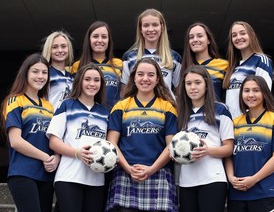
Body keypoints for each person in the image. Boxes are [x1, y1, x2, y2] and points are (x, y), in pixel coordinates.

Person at [106, 58, 179, 212]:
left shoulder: (168, 107)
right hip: (126, 173)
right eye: (140, 74)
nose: (145, 79)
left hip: (159, 172)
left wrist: (151, 169)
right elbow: (111, 143)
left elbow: (171, 146)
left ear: (158, 79)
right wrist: (128, 168)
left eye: (151, 75)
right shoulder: (121, 106)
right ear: (134, 78)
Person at [0, 53, 59, 212]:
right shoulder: (14, 101)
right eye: (35, 71)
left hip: (46, 175)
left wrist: (57, 158)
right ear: (25, 73)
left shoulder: (49, 107)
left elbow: (55, 141)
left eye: (44, 72)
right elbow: (15, 141)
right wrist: (46, 157)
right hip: (23, 173)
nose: (40, 76)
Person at [46, 63, 109, 212]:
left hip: (96, 180)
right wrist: (77, 153)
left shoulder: (105, 113)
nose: (92, 84)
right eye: (87, 79)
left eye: (96, 80)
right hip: (68, 177)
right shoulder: (67, 105)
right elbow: (53, 141)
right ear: (79, 81)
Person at [225, 75, 274, 212]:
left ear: (264, 93)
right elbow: (228, 155)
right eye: (246, 91)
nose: (251, 95)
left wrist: (253, 179)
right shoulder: (235, 123)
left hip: (265, 191)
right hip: (237, 194)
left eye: (256, 90)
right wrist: (230, 178)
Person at [177, 65, 234, 212]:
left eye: (197, 82)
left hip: (213, 179)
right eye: (188, 84)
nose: (193, 87)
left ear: (207, 84)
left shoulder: (220, 109)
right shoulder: (181, 113)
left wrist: (208, 151)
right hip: (187, 181)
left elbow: (229, 148)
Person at [121, 8, 182, 99]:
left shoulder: (174, 57)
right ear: (140, 29)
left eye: (155, 25)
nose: (150, 29)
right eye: (146, 25)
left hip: (166, 110)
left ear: (162, 27)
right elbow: (124, 91)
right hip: (136, 110)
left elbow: (179, 91)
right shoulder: (129, 57)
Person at [223, 21, 274, 119]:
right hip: (231, 123)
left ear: (252, 35)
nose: (238, 37)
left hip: (250, 122)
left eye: (243, 33)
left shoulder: (261, 60)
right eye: (234, 35)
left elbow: (264, 93)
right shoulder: (232, 67)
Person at [71, 21, 123, 109]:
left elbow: (123, 93)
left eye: (104, 37)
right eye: (95, 36)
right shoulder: (78, 65)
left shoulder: (118, 64)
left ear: (109, 40)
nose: (100, 40)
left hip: (113, 115)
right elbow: (74, 94)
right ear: (89, 39)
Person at [181, 22, 228, 101]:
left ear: (209, 40)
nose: (195, 40)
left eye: (200, 36)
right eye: (191, 37)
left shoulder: (224, 65)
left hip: (216, 112)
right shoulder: (184, 66)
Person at [42, 31, 74, 110]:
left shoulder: (71, 77)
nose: (60, 50)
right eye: (55, 47)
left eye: (63, 46)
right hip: (50, 120)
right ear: (48, 49)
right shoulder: (44, 74)